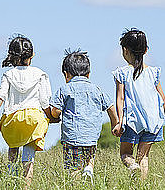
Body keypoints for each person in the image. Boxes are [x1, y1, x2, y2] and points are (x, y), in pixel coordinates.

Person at [0, 35, 56, 188]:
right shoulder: (40, 74)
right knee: (28, 155)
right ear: (32, 55)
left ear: (11, 55)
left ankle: (11, 179)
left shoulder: (8, 74)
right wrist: (51, 117)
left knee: (13, 146)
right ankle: (26, 187)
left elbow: (0, 96)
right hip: (33, 119)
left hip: (12, 119)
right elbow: (44, 101)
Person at [111, 28, 165, 180]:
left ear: (125, 50)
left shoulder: (122, 73)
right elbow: (163, 99)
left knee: (126, 154)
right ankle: (141, 186)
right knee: (143, 157)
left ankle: (132, 166)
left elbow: (120, 99)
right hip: (153, 121)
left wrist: (119, 122)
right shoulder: (154, 73)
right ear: (146, 50)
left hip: (132, 121)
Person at [50, 50, 119, 178]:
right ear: (88, 74)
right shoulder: (97, 90)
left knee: (74, 167)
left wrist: (55, 116)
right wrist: (115, 124)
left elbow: (55, 111)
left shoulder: (65, 89)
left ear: (66, 74)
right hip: (91, 136)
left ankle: (76, 187)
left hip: (72, 136)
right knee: (89, 156)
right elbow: (111, 108)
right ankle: (88, 169)